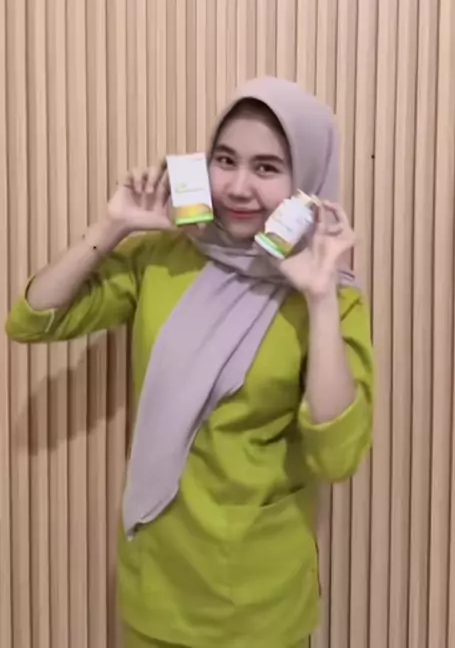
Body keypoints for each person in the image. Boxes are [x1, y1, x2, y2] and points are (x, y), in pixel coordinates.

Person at [6, 77, 375, 648]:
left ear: (307, 180)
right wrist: (114, 226)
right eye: (225, 160)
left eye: (267, 168)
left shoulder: (330, 298)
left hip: (262, 606)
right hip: (156, 584)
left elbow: (337, 455)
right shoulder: (165, 257)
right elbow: (32, 321)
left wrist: (320, 298)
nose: (238, 187)